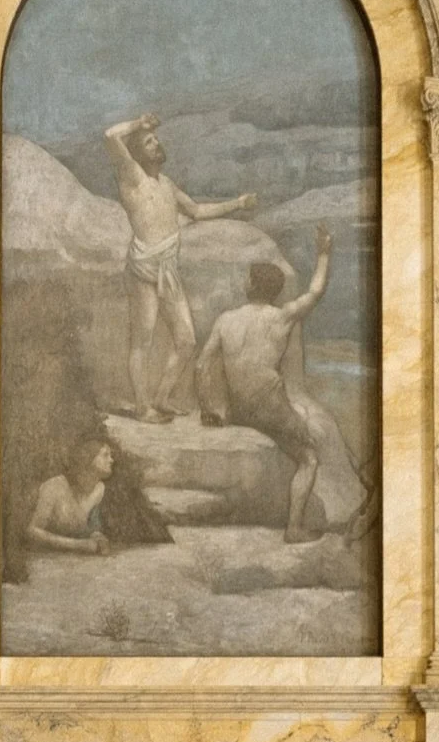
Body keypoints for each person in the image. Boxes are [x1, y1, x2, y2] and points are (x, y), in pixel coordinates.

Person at [105, 112, 256, 424]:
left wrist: (238, 204)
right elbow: (109, 136)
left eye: (155, 139)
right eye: (149, 142)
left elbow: (197, 211)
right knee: (143, 340)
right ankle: (143, 407)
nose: (156, 143)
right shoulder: (132, 176)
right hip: (143, 268)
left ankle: (162, 398)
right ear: (136, 153)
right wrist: (138, 125)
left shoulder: (167, 184)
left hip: (168, 270)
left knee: (186, 340)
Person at [196, 224, 335, 542]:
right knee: (309, 457)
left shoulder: (226, 319)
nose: (243, 281)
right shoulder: (281, 317)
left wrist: (210, 409)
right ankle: (294, 528)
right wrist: (324, 254)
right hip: (270, 409)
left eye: (247, 278)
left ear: (251, 285)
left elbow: (203, 364)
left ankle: (294, 526)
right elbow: (315, 292)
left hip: (238, 409)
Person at [26, 437, 114, 555]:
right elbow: (32, 531)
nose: (111, 460)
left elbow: (93, 525)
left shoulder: (99, 488)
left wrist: (98, 537)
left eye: (110, 455)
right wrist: (78, 545)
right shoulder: (54, 486)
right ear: (88, 458)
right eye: (105, 455)